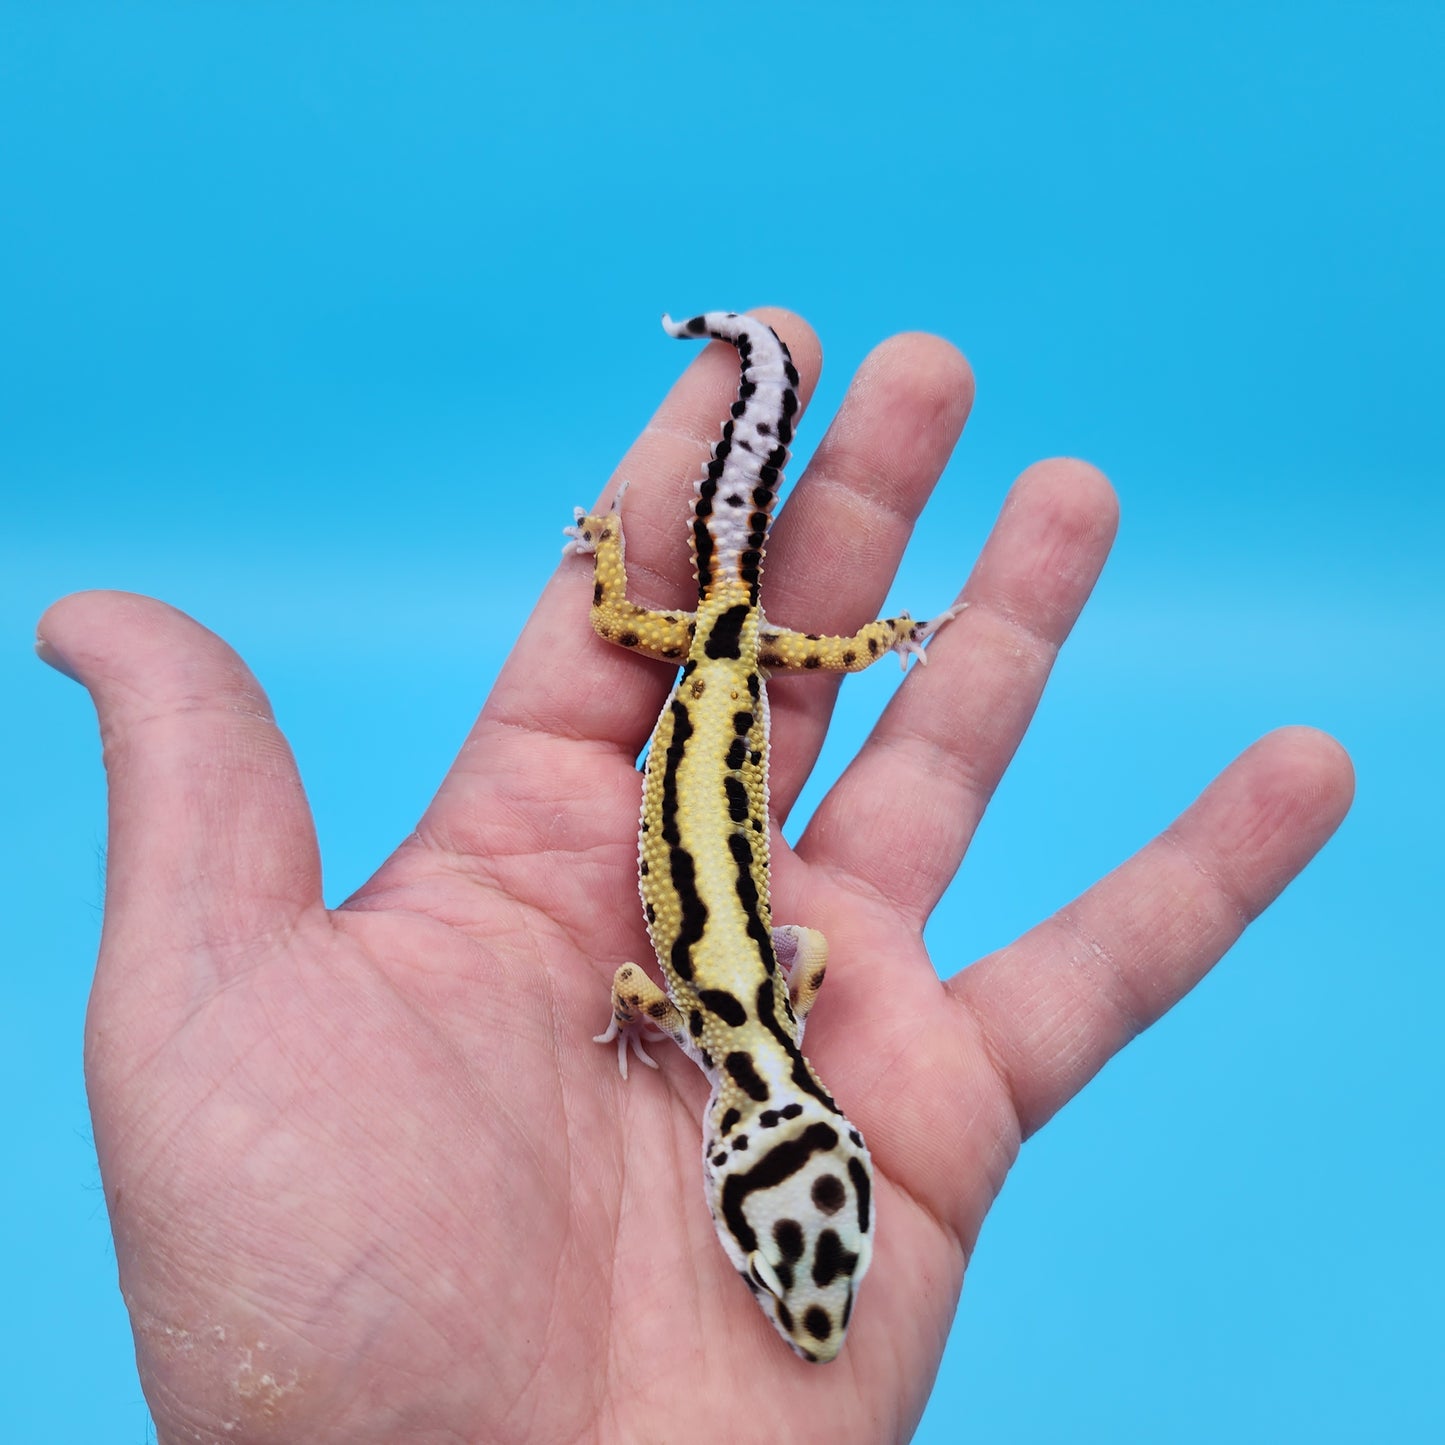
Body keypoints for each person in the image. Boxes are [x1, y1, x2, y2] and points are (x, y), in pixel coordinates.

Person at [37, 312, 1353, 1443]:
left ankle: (754, 372)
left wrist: (667, 998)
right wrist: (632, 1011)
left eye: (781, 1276)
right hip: (729, 670)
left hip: (726, 669)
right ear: (791, 1134)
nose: (807, 1309)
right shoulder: (693, 1015)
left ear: (765, 1147)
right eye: (806, 1274)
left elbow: (756, 964)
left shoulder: (766, 1002)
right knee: (656, 608)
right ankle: (753, 374)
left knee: (691, 583)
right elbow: (640, 978)